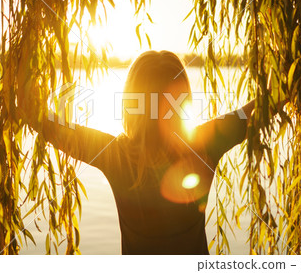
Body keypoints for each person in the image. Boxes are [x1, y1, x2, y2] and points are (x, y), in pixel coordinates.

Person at [17, 50, 257, 254]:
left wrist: (26, 44)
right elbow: (268, 102)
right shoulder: (204, 144)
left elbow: (38, 117)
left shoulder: (116, 156)